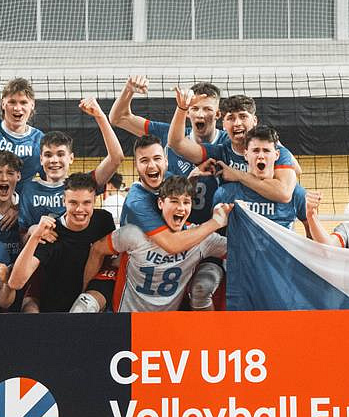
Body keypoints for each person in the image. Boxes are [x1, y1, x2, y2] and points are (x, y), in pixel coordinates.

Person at [86, 177, 231, 312]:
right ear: (160, 203)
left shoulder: (201, 238)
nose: (181, 208)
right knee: (84, 304)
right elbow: (97, 249)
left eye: (186, 202)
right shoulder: (134, 233)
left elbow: (238, 251)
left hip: (164, 324)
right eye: (174, 201)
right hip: (126, 317)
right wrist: (86, 288)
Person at [110, 75, 226, 225]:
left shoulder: (227, 144)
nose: (200, 114)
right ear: (188, 112)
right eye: (195, 108)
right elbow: (118, 118)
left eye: (207, 109)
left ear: (218, 114)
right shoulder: (169, 134)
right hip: (173, 227)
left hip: (217, 228)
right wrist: (128, 90)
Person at [166, 90, 301, 206]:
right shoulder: (219, 152)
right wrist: (182, 108)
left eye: (243, 116)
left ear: (254, 121)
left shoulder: (274, 152)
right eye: (231, 118)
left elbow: (284, 192)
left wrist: (237, 175)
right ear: (224, 124)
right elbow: (177, 143)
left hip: (271, 219)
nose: (237, 123)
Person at [8, 172, 114, 313]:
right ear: (64, 201)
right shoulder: (50, 233)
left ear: (94, 201)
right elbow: (15, 282)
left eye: (86, 202)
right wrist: (35, 236)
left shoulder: (104, 220)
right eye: (73, 202)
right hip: (54, 308)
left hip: (91, 302)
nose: (80, 209)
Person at [18, 98, 124, 225]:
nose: (54, 160)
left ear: (71, 158)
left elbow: (116, 158)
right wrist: (32, 230)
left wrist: (100, 116)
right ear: (41, 159)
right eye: (48, 155)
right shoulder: (29, 189)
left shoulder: (84, 184)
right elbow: (23, 232)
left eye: (60, 154)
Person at [212, 126, 307, 231]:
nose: (261, 156)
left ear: (277, 155)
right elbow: (217, 236)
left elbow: (311, 233)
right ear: (246, 155)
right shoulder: (225, 193)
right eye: (256, 151)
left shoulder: (296, 193)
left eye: (266, 151)